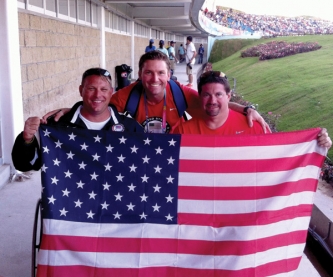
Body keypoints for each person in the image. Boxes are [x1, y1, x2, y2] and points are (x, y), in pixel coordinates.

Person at [43, 51, 270, 134]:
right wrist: (73, 109)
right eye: (148, 73)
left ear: (169, 75)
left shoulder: (181, 94)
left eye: (161, 73)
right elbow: (97, 103)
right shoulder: (126, 96)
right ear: (139, 75)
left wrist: (247, 109)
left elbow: (213, 103)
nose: (155, 79)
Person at [12, 68, 143, 172]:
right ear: (81, 90)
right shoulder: (57, 125)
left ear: (111, 92)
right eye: (91, 89)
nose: (98, 95)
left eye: (103, 89)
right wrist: (27, 140)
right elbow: (26, 166)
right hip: (70, 202)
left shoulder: (130, 127)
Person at [172, 70, 332, 150]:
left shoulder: (253, 127)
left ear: (229, 96)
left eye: (218, 94)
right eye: (207, 95)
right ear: (199, 97)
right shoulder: (182, 131)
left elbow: (279, 156)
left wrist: (316, 143)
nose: (212, 101)